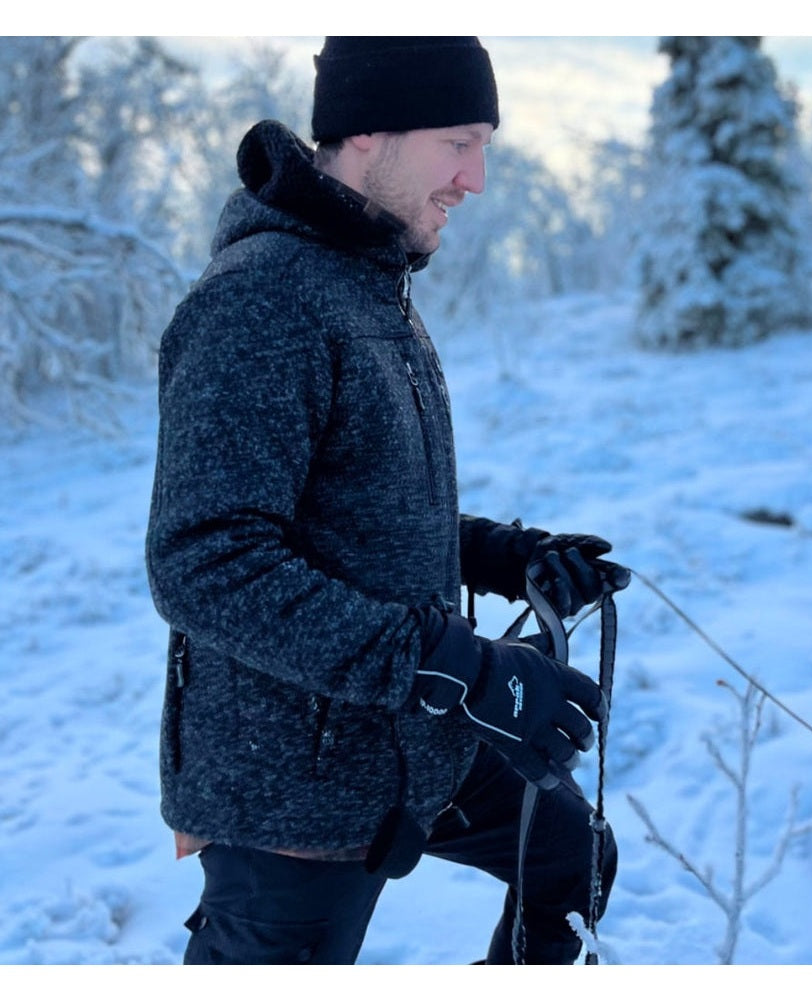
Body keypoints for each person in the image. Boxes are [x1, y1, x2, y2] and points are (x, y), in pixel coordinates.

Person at [145, 36, 630, 965]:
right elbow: (206, 562)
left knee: (572, 860)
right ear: (367, 132)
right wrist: (460, 666)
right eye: (459, 142)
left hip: (416, 737)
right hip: (294, 786)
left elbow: (346, 509)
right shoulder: (259, 301)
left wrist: (502, 556)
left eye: (483, 145)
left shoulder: (369, 282)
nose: (475, 178)